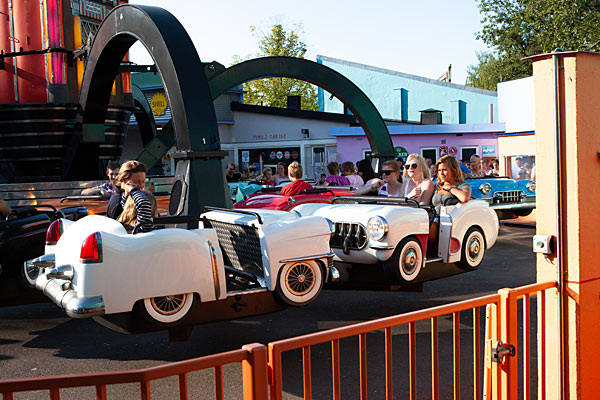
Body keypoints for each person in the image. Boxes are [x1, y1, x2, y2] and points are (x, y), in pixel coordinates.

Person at [429, 155, 471, 244]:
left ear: (453, 170)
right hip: (433, 218)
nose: (441, 173)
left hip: (449, 222)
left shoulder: (462, 186)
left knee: (427, 227)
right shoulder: (437, 186)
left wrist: (451, 189)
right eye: (439, 170)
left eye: (444, 170)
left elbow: (465, 198)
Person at [107, 160, 152, 229]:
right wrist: (132, 190)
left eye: (143, 181)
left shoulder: (140, 197)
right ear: (125, 181)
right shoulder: (116, 202)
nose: (141, 185)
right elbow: (144, 205)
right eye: (136, 182)